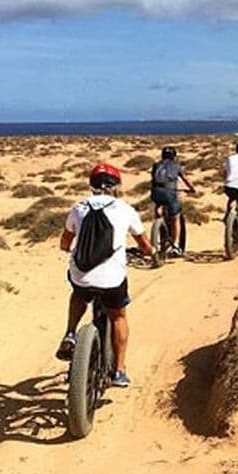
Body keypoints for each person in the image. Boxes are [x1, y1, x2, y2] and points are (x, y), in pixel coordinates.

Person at [55, 163, 156, 388]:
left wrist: (68, 249)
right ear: (116, 186)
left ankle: (71, 333)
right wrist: (151, 253)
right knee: (118, 316)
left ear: (92, 185)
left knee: (78, 291)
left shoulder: (78, 208)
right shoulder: (125, 209)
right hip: (112, 278)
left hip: (81, 273)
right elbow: (144, 244)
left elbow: (65, 240)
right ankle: (119, 371)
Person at [150, 145, 197, 255]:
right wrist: (192, 189)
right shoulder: (176, 166)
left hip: (156, 192)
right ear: (174, 156)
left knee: (158, 206)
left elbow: (153, 179)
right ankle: (175, 246)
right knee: (175, 217)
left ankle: (158, 223)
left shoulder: (156, 165)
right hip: (169, 193)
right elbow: (185, 179)